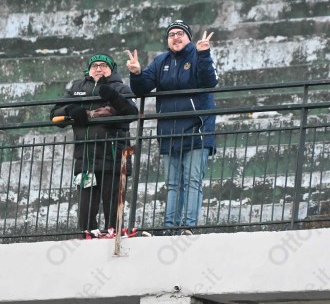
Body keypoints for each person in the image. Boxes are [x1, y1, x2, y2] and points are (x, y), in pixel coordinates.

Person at [126, 21, 218, 235]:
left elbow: (210, 81)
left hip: (197, 130)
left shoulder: (198, 55)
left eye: (180, 34)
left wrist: (204, 54)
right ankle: (170, 228)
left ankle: (187, 227)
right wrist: (136, 74)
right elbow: (141, 89)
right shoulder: (161, 61)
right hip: (169, 132)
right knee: (173, 184)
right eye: (171, 35)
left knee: (193, 181)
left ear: (188, 37)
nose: (176, 37)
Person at [51, 53, 138, 237]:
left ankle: (114, 234)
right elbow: (55, 114)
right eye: (95, 65)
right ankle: (88, 234)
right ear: (88, 70)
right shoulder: (76, 88)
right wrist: (70, 110)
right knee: (86, 205)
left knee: (113, 202)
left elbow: (131, 112)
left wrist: (113, 96)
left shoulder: (121, 87)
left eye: (103, 65)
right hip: (86, 157)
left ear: (111, 69)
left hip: (114, 156)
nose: (99, 68)